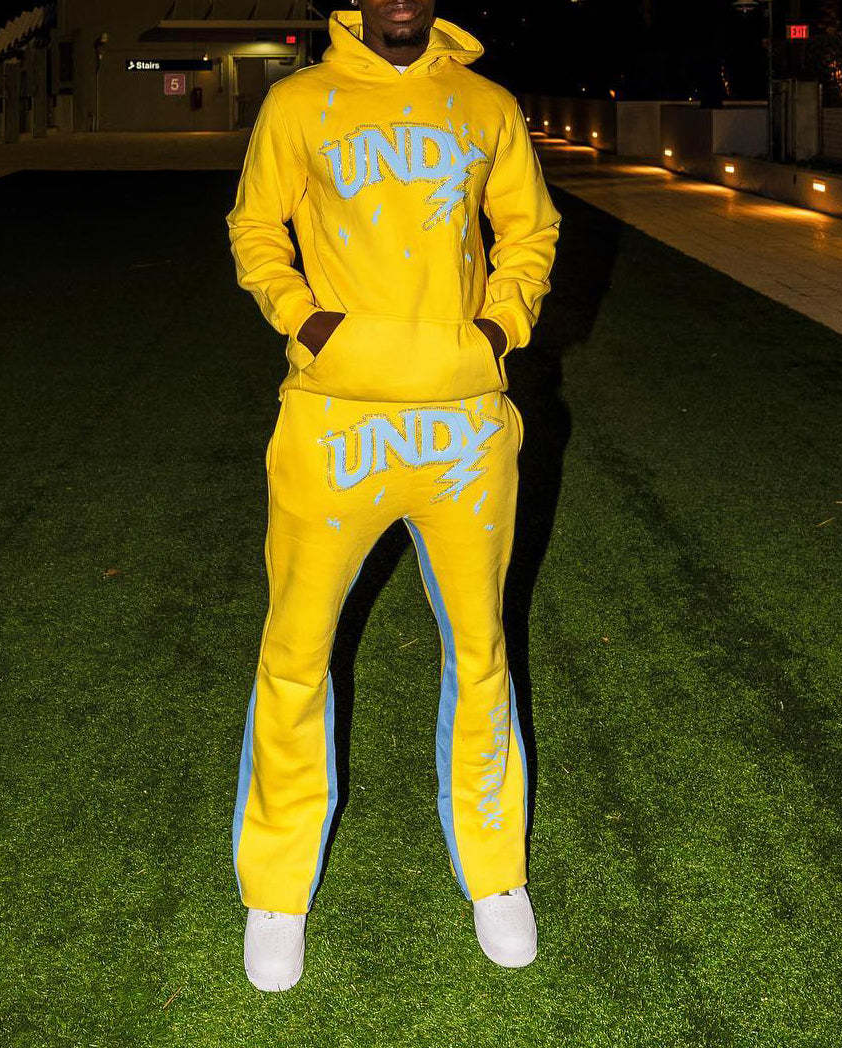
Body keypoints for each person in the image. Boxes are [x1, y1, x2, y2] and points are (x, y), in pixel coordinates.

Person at [225, 0, 562, 992]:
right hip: (333, 423)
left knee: (481, 651)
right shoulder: (299, 102)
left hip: (465, 427)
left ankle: (495, 875)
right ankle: (276, 890)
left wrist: (497, 330)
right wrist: (305, 321)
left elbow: (530, 230)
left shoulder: (485, 104)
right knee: (295, 654)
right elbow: (254, 225)